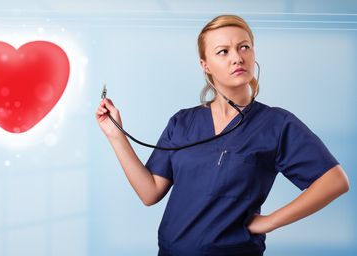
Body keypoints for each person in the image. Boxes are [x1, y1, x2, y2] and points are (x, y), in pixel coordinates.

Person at [95, 14, 350, 256]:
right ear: (205, 65)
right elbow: (149, 192)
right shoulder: (183, 121)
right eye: (223, 52)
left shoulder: (277, 124)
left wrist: (270, 222)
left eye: (244, 47)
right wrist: (115, 134)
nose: (237, 58)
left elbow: (335, 181)